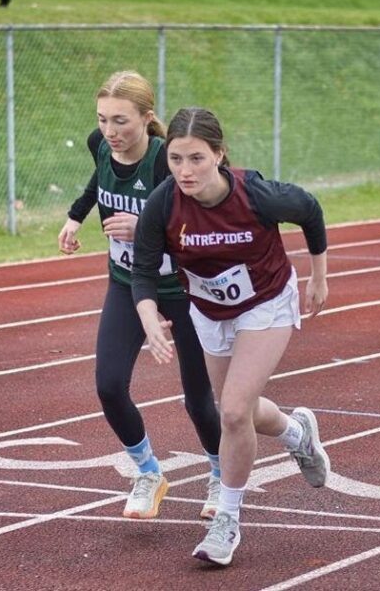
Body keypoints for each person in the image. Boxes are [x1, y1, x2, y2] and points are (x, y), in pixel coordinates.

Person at [131, 107, 331, 566]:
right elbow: (142, 272)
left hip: (266, 301)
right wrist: (148, 319)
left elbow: (310, 211)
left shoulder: (256, 194)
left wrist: (319, 277)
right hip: (209, 311)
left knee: (235, 412)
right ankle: (298, 433)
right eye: (177, 159)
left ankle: (227, 520)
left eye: (197, 158)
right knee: (235, 411)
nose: (185, 170)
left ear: (219, 155)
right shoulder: (163, 205)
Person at [57, 72, 222, 520]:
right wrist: (76, 217)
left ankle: (220, 473)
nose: (110, 132)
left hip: (182, 288)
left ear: (148, 120)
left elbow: (201, 225)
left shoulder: (164, 162)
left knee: (198, 399)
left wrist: (145, 227)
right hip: (127, 283)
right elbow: (99, 179)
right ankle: (149, 472)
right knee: (109, 385)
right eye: (103, 120)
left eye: (121, 122)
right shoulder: (100, 144)